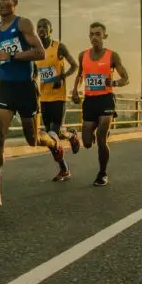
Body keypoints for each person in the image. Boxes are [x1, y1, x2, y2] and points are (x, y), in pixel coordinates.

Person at [0, 0, 68, 206]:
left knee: (33, 138)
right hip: (5, 87)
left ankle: (55, 143)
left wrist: (13, 54)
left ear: (14, 2)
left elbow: (40, 52)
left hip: (26, 88)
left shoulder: (23, 24)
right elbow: (0, 57)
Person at [71, 22, 129, 186]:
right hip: (90, 100)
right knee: (88, 143)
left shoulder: (112, 56)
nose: (95, 37)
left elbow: (126, 77)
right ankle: (93, 134)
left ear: (104, 36)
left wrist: (115, 83)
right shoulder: (83, 55)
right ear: (89, 37)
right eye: (92, 34)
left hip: (105, 99)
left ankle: (102, 173)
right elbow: (80, 75)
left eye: (98, 34)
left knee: (101, 138)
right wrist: (75, 90)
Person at [34, 18, 81, 180]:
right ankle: (71, 136)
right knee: (51, 136)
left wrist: (62, 77)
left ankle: (64, 168)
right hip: (43, 98)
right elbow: (35, 72)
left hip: (58, 97)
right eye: (39, 27)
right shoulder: (36, 50)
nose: (41, 30)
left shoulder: (58, 47)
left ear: (50, 30)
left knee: (53, 133)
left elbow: (75, 66)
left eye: (44, 27)